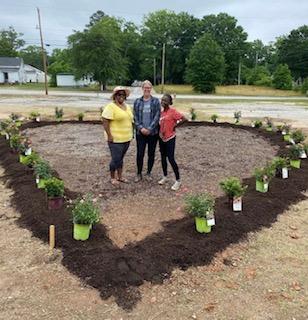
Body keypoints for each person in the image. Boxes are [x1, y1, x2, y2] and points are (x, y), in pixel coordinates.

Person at [102, 86, 133, 186]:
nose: (121, 96)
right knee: (116, 159)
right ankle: (112, 177)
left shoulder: (127, 107)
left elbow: (130, 120)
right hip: (115, 139)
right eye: (119, 94)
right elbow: (105, 120)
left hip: (126, 138)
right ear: (115, 96)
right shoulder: (111, 107)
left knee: (121, 158)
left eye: (123, 95)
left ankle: (120, 177)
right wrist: (109, 135)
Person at [158, 93, 187, 191]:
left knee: (171, 158)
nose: (163, 102)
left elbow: (184, 119)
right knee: (163, 158)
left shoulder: (173, 112)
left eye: (165, 100)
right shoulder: (161, 113)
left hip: (170, 138)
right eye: (162, 100)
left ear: (169, 102)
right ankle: (165, 176)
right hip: (162, 138)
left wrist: (175, 126)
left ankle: (178, 180)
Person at [133, 80, 160, 182]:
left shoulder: (155, 101)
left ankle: (149, 173)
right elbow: (135, 117)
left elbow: (157, 116)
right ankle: (139, 173)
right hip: (140, 133)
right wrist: (141, 128)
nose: (147, 89)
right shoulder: (137, 101)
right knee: (140, 153)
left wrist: (149, 128)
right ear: (142, 89)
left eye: (149, 88)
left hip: (152, 133)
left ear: (151, 89)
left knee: (151, 153)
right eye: (145, 87)